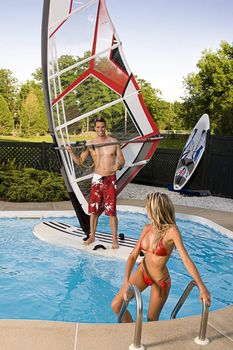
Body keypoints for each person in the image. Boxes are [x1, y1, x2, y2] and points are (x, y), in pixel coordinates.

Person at [111, 192, 211, 321]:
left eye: (148, 206)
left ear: (155, 209)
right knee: (116, 305)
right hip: (142, 272)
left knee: (152, 319)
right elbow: (133, 255)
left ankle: (141, 337)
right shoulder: (147, 228)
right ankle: (132, 333)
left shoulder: (172, 231)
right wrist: (126, 282)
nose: (146, 209)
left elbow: (186, 260)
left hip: (160, 281)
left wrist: (201, 286)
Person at [66, 117, 125, 249]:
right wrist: (71, 152)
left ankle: (114, 240)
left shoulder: (113, 142)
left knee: (111, 211)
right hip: (97, 179)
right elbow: (79, 161)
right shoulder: (91, 144)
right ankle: (92, 236)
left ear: (106, 127)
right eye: (98, 127)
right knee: (93, 210)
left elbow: (122, 160)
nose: (100, 130)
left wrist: (118, 166)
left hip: (110, 179)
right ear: (95, 128)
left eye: (102, 127)